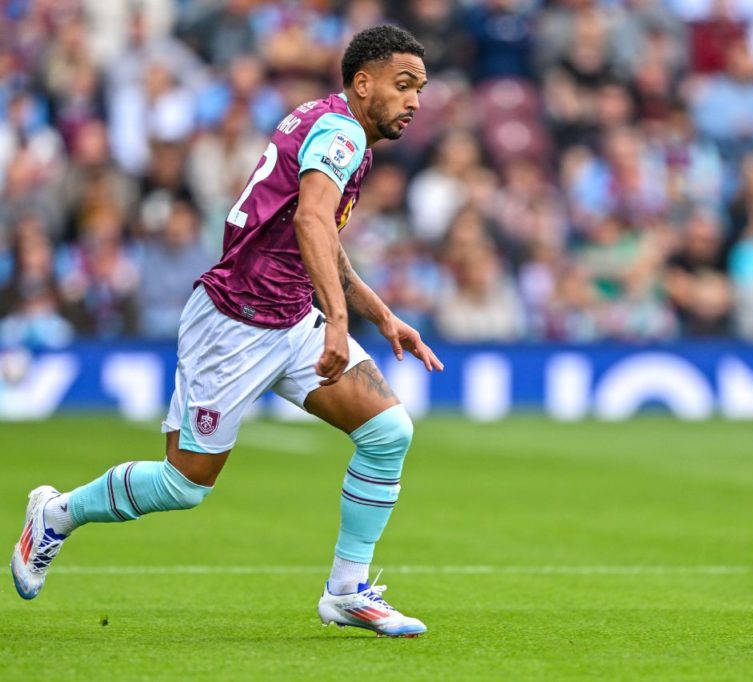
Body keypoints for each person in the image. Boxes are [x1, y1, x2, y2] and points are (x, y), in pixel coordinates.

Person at [11, 25, 443, 639]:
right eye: (403, 86)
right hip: (235, 323)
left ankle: (347, 592)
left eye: (420, 89)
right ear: (363, 82)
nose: (415, 101)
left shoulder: (329, 123)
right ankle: (54, 513)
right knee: (183, 485)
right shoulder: (343, 133)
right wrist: (340, 326)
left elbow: (320, 234)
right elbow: (313, 225)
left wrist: (379, 312)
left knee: (386, 432)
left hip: (289, 317)